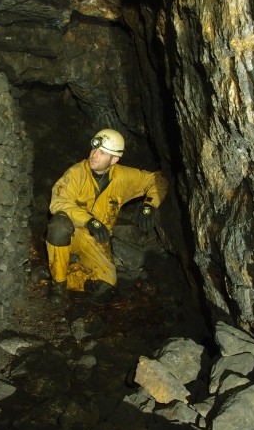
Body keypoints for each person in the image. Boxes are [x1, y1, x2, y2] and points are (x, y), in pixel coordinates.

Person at [45, 128, 169, 304]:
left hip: (97, 240)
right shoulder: (76, 173)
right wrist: (90, 221)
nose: (94, 155)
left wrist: (150, 205)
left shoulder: (123, 177)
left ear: (114, 160)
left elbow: (158, 179)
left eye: (102, 153)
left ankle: (64, 270)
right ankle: (58, 285)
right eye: (94, 149)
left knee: (106, 287)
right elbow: (58, 203)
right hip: (74, 232)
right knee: (58, 226)